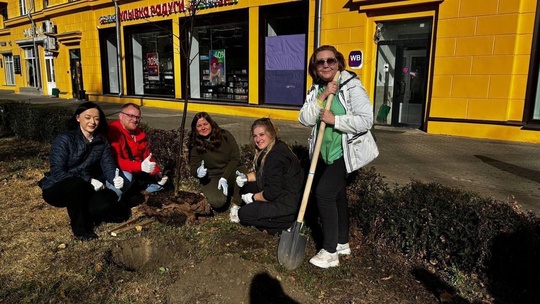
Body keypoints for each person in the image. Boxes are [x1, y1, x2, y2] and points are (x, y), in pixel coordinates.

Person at [298, 45, 374, 268]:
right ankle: (342, 242)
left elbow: (366, 120)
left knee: (323, 193)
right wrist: (322, 95)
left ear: (339, 62)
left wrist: (336, 121)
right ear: (315, 67)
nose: (325, 65)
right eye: (320, 62)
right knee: (338, 195)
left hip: (346, 152)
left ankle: (330, 251)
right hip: (326, 155)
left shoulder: (351, 86)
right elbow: (304, 119)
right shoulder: (316, 89)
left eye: (330, 61)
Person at [38, 102, 125, 241]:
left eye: (96, 118)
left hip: (84, 187)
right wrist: (89, 179)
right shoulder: (64, 139)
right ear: (78, 118)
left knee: (104, 204)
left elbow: (107, 164)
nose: (92, 122)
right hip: (58, 187)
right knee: (75, 184)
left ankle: (90, 211)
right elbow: (58, 172)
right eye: (88, 117)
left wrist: (114, 178)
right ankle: (80, 230)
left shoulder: (101, 142)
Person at [235, 118, 304, 235]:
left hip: (286, 204)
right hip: (287, 196)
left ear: (271, 134)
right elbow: (267, 175)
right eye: (255, 136)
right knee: (248, 187)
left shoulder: (274, 157)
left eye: (261, 134)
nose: (258, 139)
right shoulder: (277, 146)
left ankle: (284, 225)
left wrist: (253, 198)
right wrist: (246, 177)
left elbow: (271, 193)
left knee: (244, 214)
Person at [105, 103, 168, 199]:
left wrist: (157, 174)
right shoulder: (114, 132)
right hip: (118, 172)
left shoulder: (140, 134)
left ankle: (132, 194)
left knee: (159, 184)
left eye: (138, 117)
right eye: (130, 116)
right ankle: (111, 201)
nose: (135, 120)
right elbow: (115, 161)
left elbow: (147, 157)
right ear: (120, 116)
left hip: (137, 172)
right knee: (127, 178)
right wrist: (140, 166)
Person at [188, 112, 246, 213]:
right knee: (218, 202)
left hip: (230, 170)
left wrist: (225, 177)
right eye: (199, 126)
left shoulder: (225, 135)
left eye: (205, 124)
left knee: (244, 176)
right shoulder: (195, 144)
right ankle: (218, 192)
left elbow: (235, 158)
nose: (203, 128)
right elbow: (193, 167)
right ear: (195, 128)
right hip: (212, 176)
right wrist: (198, 172)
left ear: (211, 123)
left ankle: (235, 205)